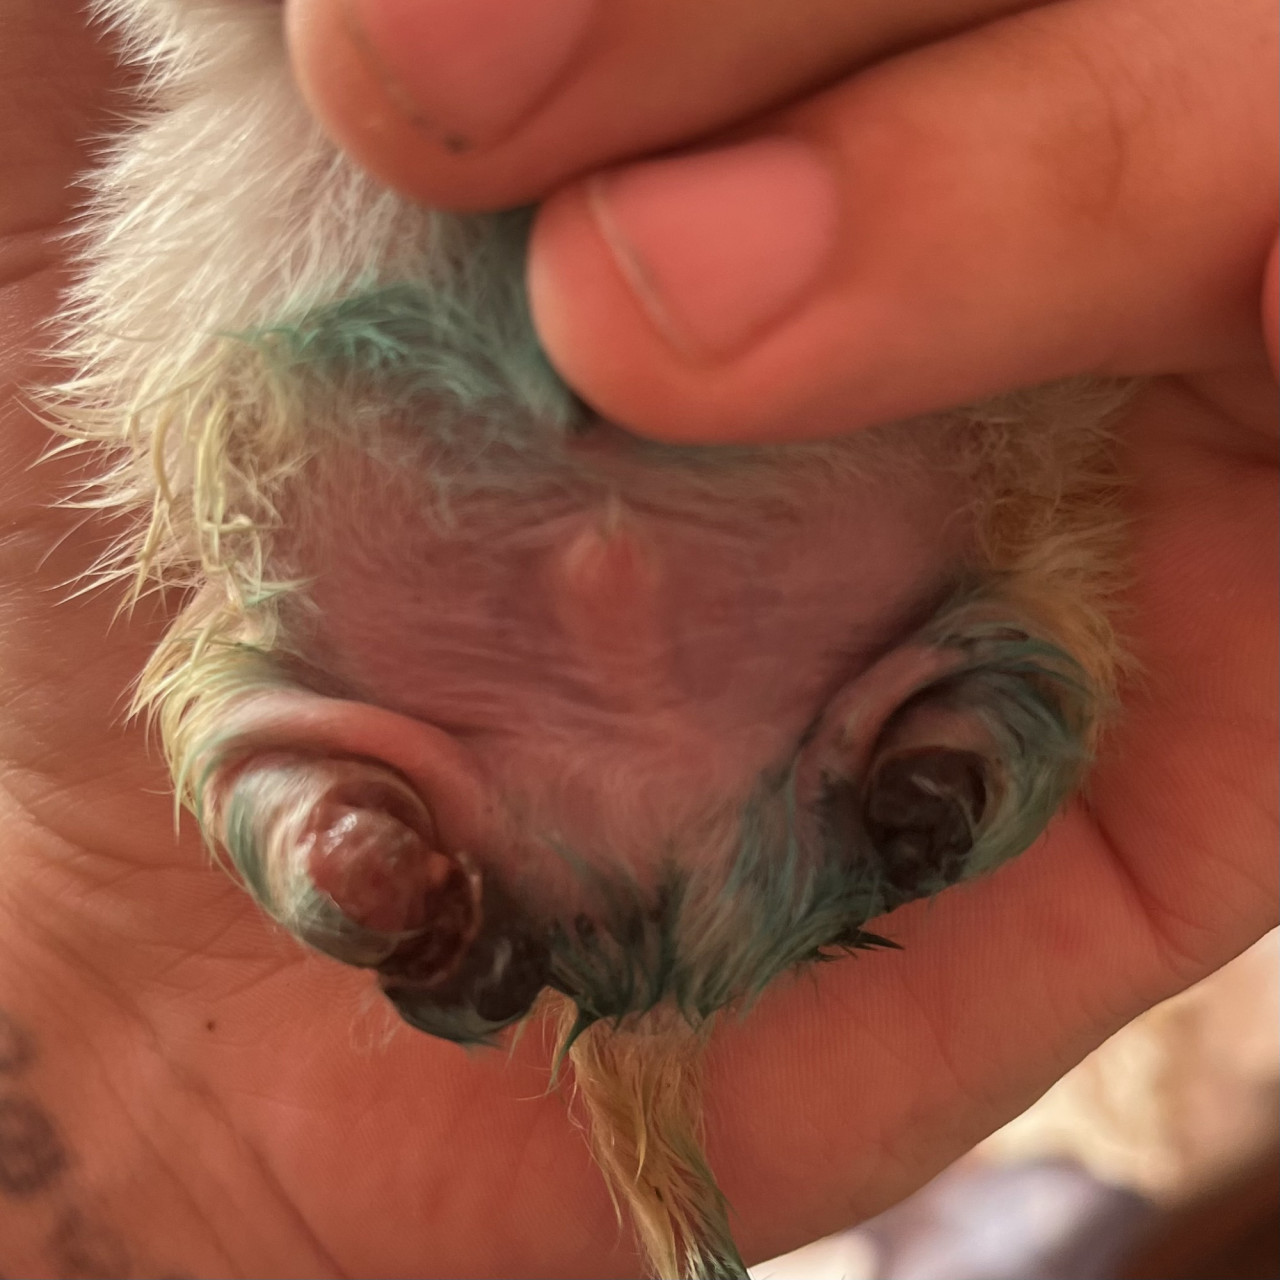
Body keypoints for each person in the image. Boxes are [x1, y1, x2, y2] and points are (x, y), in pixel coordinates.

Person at [0, 0, 1274, 1274]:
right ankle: (954, 746)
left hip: (447, 645)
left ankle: (324, 820)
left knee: (265, 711)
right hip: (844, 622)